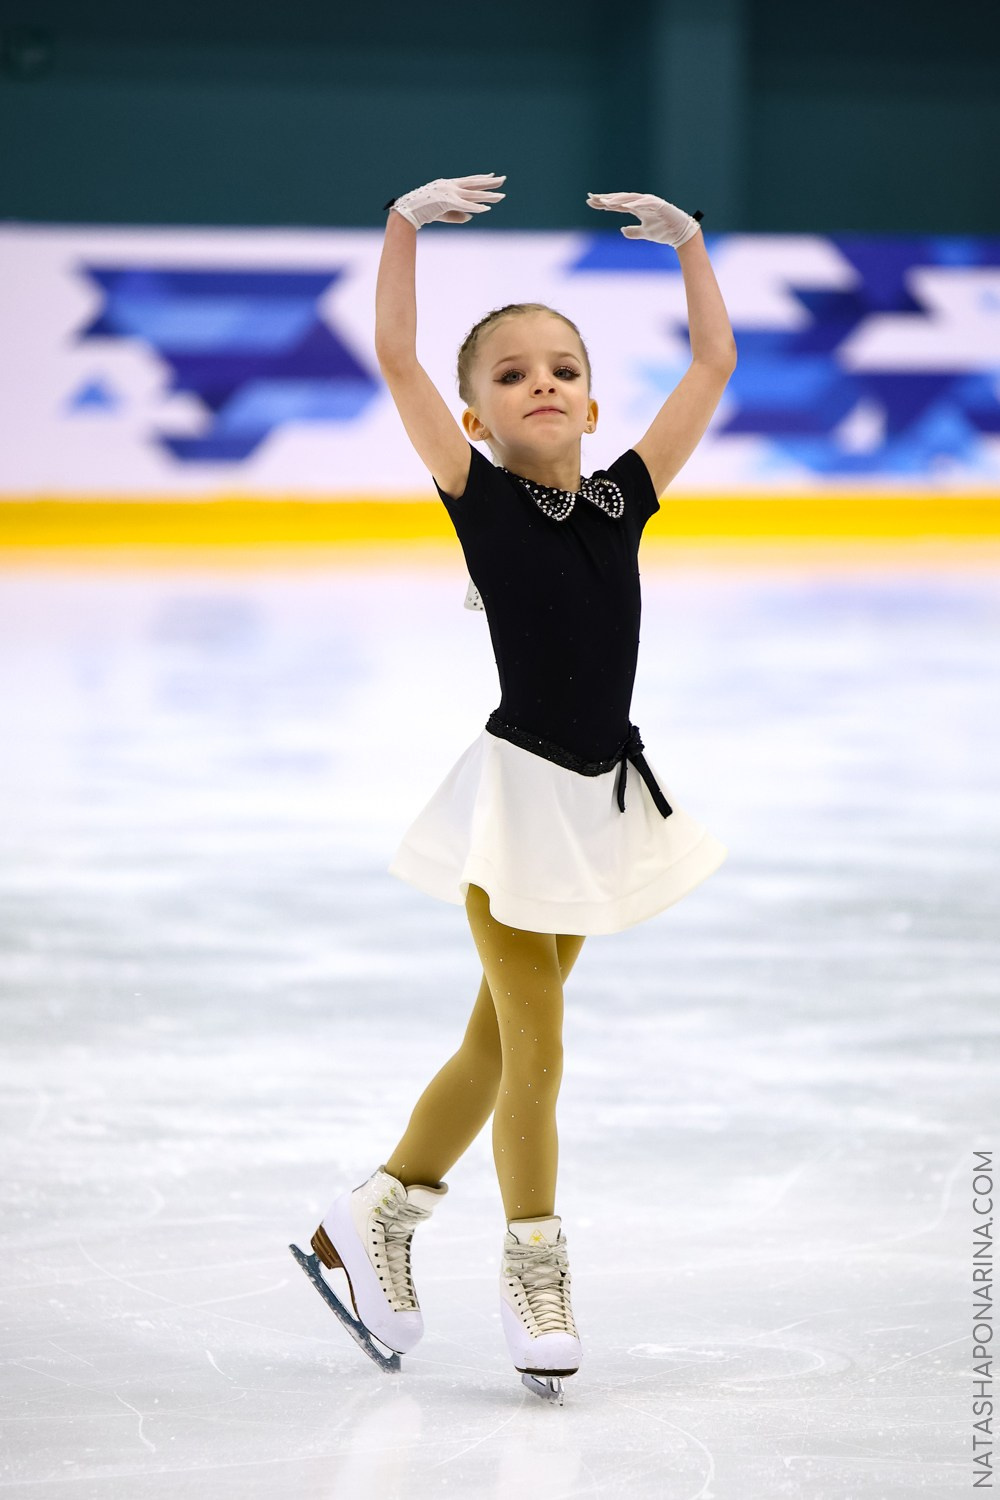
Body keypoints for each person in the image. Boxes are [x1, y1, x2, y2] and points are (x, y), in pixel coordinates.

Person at [298, 173, 737, 1401]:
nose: (539, 382)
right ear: (475, 419)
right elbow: (395, 356)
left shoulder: (623, 500)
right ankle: (534, 1260)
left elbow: (711, 365)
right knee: (536, 1047)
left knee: (492, 1045)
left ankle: (378, 1208)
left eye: (561, 368)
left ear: (592, 400)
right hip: (512, 809)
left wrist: (690, 246)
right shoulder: (480, 499)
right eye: (508, 374)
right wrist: (402, 225)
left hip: (597, 810)